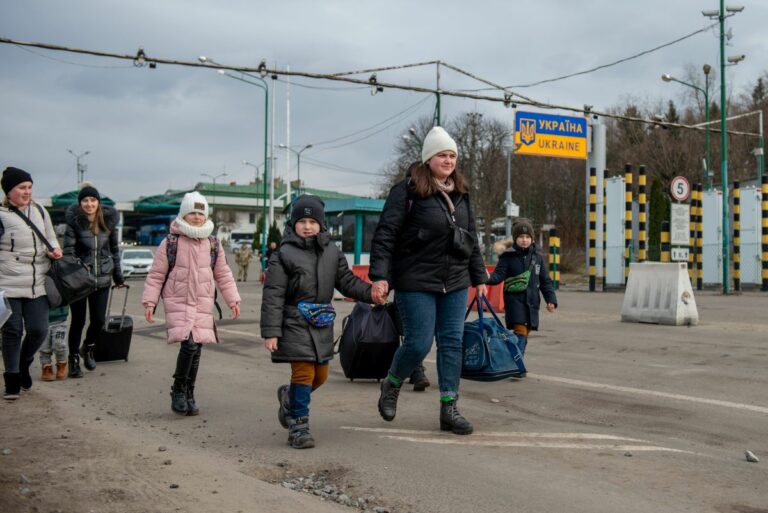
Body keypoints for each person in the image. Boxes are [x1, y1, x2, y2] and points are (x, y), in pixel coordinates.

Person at [369, 127, 488, 435]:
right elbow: (385, 236)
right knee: (419, 343)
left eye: (452, 155)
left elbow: (470, 238)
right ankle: (392, 383)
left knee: (451, 343)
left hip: (456, 280)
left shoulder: (461, 192)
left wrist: (479, 276)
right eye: (442, 155)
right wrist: (381, 276)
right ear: (428, 158)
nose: (448, 160)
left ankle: (449, 408)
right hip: (416, 280)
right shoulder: (407, 191)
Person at [260, 194, 383, 449]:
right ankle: (299, 427)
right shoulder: (284, 254)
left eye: (312, 221)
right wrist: (271, 331)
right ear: (293, 224)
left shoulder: (332, 251)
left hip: (321, 321)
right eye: (302, 221)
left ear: (322, 224)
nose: (307, 226)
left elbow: (347, 281)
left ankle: (289, 398)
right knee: (304, 372)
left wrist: (369, 292)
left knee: (322, 375)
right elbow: (273, 294)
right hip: (293, 321)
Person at [142, 192, 241, 416]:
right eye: (192, 213)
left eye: (200, 213)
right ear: (183, 215)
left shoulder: (213, 243)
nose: (196, 217)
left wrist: (232, 299)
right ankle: (178, 390)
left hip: (203, 301)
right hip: (179, 301)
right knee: (188, 345)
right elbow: (156, 275)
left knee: (196, 349)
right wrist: (150, 302)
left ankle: (189, 392)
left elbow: (223, 274)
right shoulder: (171, 242)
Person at [0, 167, 63, 400]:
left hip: (38, 282)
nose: (27, 192)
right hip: (7, 283)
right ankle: (12, 378)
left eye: (29, 187)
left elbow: (50, 236)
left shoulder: (39, 210)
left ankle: (25, 362)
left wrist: (55, 249)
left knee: (38, 330)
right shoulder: (1, 215)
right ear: (9, 192)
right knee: (12, 331)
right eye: (21, 188)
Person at [63, 183, 125, 377]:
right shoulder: (74, 223)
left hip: (102, 280)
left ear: (98, 202)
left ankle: (88, 347)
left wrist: (118, 277)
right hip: (80, 281)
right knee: (78, 321)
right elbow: (68, 252)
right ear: (80, 203)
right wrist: (81, 269)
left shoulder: (108, 223)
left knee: (98, 320)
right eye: (85, 200)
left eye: (93, 200)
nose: (89, 204)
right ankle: (73, 358)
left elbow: (114, 251)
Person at [486, 218, 557, 356]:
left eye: (527, 237)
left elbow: (545, 281)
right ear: (515, 238)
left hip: (532, 303)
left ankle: (515, 359)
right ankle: (516, 363)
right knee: (520, 331)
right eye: (520, 237)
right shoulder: (507, 257)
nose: (524, 240)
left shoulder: (537, 258)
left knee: (525, 333)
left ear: (532, 239)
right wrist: (484, 278)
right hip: (515, 302)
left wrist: (551, 300)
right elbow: (498, 276)